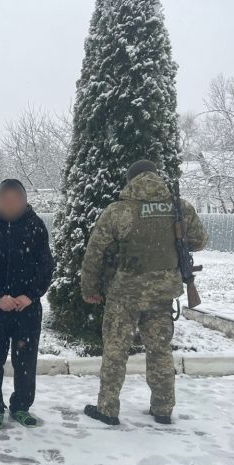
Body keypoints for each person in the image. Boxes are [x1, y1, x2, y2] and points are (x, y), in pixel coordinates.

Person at [81, 160, 208, 426]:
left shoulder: (119, 210)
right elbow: (200, 241)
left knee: (115, 351)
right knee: (160, 351)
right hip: (162, 295)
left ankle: (107, 409)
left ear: (131, 180)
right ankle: (162, 409)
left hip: (124, 295)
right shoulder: (179, 207)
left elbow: (95, 252)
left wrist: (90, 288)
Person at [0, 179, 53, 429]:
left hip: (27, 309)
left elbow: (46, 265)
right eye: (4, 199)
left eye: (15, 199)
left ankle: (21, 406)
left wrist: (31, 295)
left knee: (26, 361)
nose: (9, 204)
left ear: (24, 201)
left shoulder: (35, 226)